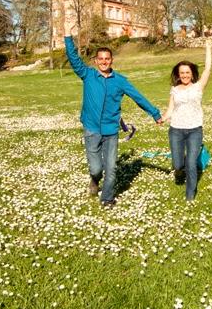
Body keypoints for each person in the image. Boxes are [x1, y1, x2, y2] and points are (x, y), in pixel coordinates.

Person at [64, 19, 163, 207]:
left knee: (111, 169)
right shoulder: (88, 75)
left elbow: (138, 97)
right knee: (96, 168)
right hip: (92, 129)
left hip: (111, 131)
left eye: (107, 59)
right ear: (95, 61)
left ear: (111, 61)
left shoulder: (120, 81)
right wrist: (68, 35)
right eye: (100, 59)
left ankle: (107, 199)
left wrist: (155, 113)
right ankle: (94, 179)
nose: (103, 62)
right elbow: (73, 59)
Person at [163, 38, 212, 201]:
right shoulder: (174, 89)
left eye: (187, 72)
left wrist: (208, 49)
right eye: (182, 72)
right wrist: (163, 117)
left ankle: (190, 194)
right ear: (178, 74)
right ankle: (180, 170)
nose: (184, 75)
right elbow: (171, 108)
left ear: (192, 74)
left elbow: (208, 69)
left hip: (194, 130)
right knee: (178, 164)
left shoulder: (198, 87)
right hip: (176, 130)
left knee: (191, 163)